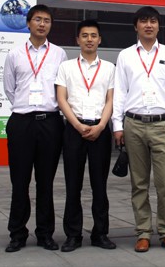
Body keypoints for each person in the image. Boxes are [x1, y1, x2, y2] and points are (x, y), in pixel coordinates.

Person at [111, 6, 165, 253]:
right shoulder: (125, 55)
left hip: (163, 125)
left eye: (153, 21)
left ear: (158, 25)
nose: (148, 25)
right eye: (143, 21)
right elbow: (120, 92)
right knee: (139, 184)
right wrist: (117, 125)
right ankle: (143, 232)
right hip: (133, 124)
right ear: (136, 26)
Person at [3, 4, 67, 253]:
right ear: (28, 23)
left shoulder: (59, 54)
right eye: (38, 19)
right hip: (22, 122)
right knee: (19, 181)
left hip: (50, 122)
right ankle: (17, 234)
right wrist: (25, 107)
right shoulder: (15, 54)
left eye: (47, 20)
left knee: (45, 182)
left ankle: (45, 234)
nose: (42, 24)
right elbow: (10, 88)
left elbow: (62, 88)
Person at [55, 19, 116, 252]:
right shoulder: (66, 67)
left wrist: (101, 126)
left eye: (93, 35)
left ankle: (100, 233)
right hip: (73, 129)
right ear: (77, 40)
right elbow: (61, 99)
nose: (89, 39)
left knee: (100, 185)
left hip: (100, 130)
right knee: (73, 185)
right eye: (85, 35)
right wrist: (77, 125)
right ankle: (73, 235)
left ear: (99, 40)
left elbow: (111, 99)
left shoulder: (109, 68)